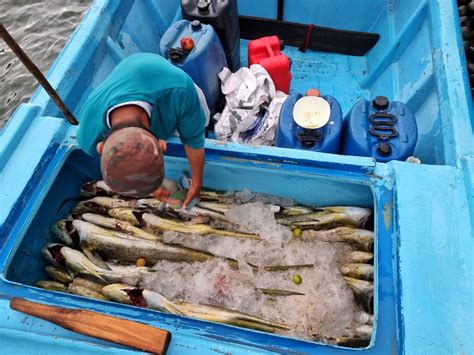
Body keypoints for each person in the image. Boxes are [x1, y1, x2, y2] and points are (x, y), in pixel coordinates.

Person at [77, 52, 207, 208]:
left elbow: (193, 141)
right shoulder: (88, 137)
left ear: (162, 143)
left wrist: (197, 182)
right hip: (131, 82)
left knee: (200, 120)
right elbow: (129, 165)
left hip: (166, 82)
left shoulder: (181, 91)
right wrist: (153, 187)